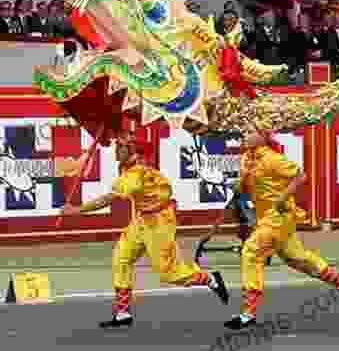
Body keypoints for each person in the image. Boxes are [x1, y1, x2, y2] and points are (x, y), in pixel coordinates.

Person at [62, 129, 229, 328]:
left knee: (170, 274)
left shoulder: (133, 175)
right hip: (143, 219)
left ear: (131, 150)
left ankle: (209, 278)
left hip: (159, 222)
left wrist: (76, 210)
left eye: (120, 146)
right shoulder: (130, 167)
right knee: (121, 258)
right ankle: (122, 312)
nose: (116, 149)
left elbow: (108, 199)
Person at [224, 123, 339, 330]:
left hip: (279, 216)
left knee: (251, 252)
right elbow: (245, 186)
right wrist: (237, 184)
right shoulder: (246, 158)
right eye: (243, 131)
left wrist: (283, 197)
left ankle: (248, 312)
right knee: (296, 258)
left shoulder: (273, 159)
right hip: (265, 216)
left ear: (263, 136)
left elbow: (301, 176)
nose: (244, 134)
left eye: (249, 132)